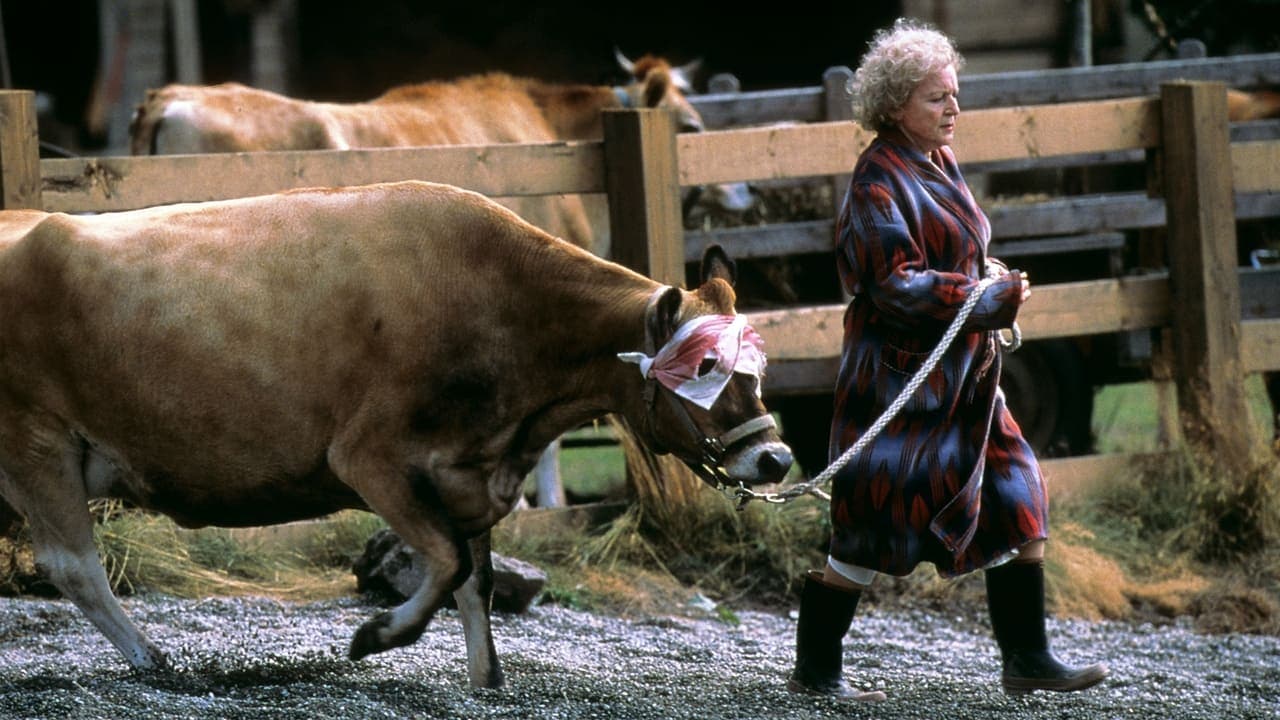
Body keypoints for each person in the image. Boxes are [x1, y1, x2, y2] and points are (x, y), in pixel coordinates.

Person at [787, 18, 1109, 701]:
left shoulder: (939, 161)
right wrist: (982, 296)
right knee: (862, 539)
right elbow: (893, 283)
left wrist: (987, 274)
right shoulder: (877, 180)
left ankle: (1027, 658)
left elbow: (953, 250)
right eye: (937, 99)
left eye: (955, 95)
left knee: (1021, 497)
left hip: (969, 385)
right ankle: (816, 673)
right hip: (901, 390)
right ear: (896, 104)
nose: (953, 109)